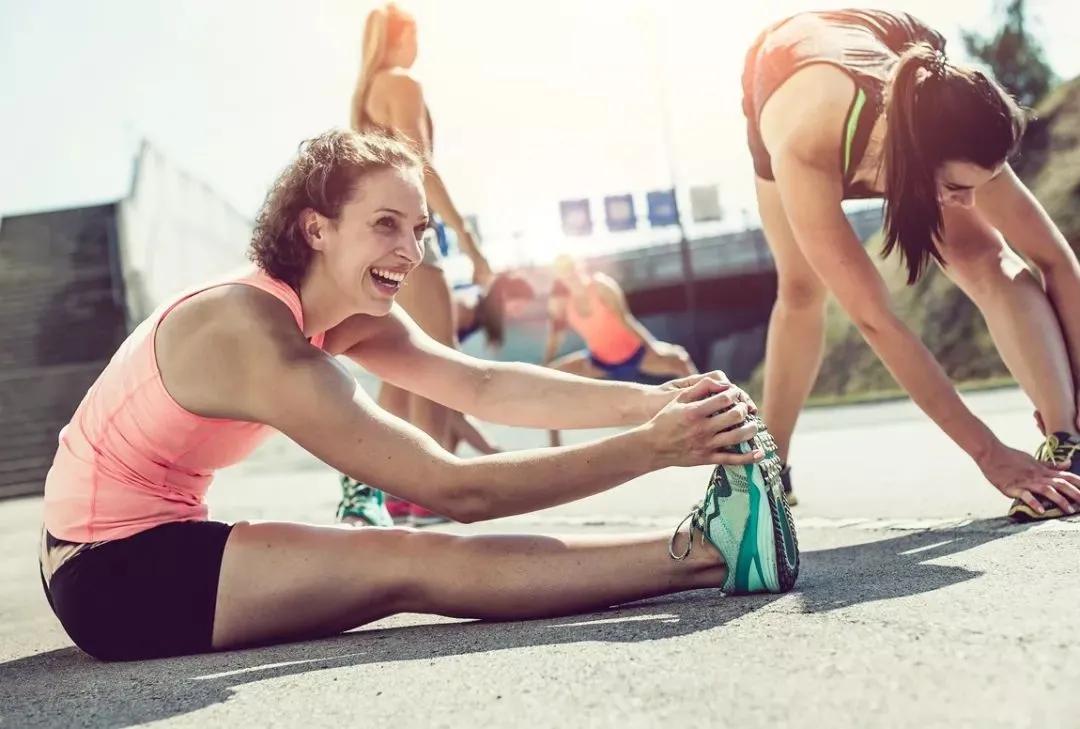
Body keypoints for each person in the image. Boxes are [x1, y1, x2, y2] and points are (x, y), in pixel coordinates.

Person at [37, 129, 799, 662]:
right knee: (408, 558)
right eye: (385, 225)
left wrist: (658, 399)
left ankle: (718, 549)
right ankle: (711, 556)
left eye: (421, 229)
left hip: (155, 539)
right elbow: (452, 487)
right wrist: (654, 448)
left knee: (404, 552)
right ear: (317, 230)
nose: (410, 250)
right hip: (108, 572)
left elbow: (481, 381)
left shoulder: (340, 316)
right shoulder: (253, 333)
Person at [742, 9, 1080, 519]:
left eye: (976, 185)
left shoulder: (946, 126)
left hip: (895, 44)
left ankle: (1067, 445)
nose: (969, 203)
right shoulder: (807, 144)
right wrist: (989, 454)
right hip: (780, 70)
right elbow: (877, 320)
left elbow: (1054, 260)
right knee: (802, 290)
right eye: (956, 188)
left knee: (979, 254)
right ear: (913, 162)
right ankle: (770, 470)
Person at [338, 2, 495, 526]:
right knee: (435, 365)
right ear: (401, 36)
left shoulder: (364, 98)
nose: (418, 45)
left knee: (401, 370)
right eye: (415, 34)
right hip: (412, 237)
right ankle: (426, 491)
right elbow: (419, 168)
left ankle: (394, 489)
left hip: (377, 243)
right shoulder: (402, 83)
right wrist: (469, 240)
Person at [337, 272, 536, 527]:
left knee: (433, 411)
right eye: (520, 304)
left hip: (411, 359)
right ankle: (422, 497)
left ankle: (399, 497)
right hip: (412, 354)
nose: (519, 313)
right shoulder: (466, 305)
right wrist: (494, 454)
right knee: (439, 405)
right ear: (506, 295)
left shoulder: (476, 315)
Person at [544, 254, 699, 446]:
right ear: (559, 276)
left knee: (681, 360)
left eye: (571, 267)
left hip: (636, 355)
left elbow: (626, 319)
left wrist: (652, 347)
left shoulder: (601, 287)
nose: (570, 274)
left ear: (580, 265)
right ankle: (555, 449)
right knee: (548, 378)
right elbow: (555, 337)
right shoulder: (563, 303)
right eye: (563, 271)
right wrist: (545, 364)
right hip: (599, 361)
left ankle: (710, 414)